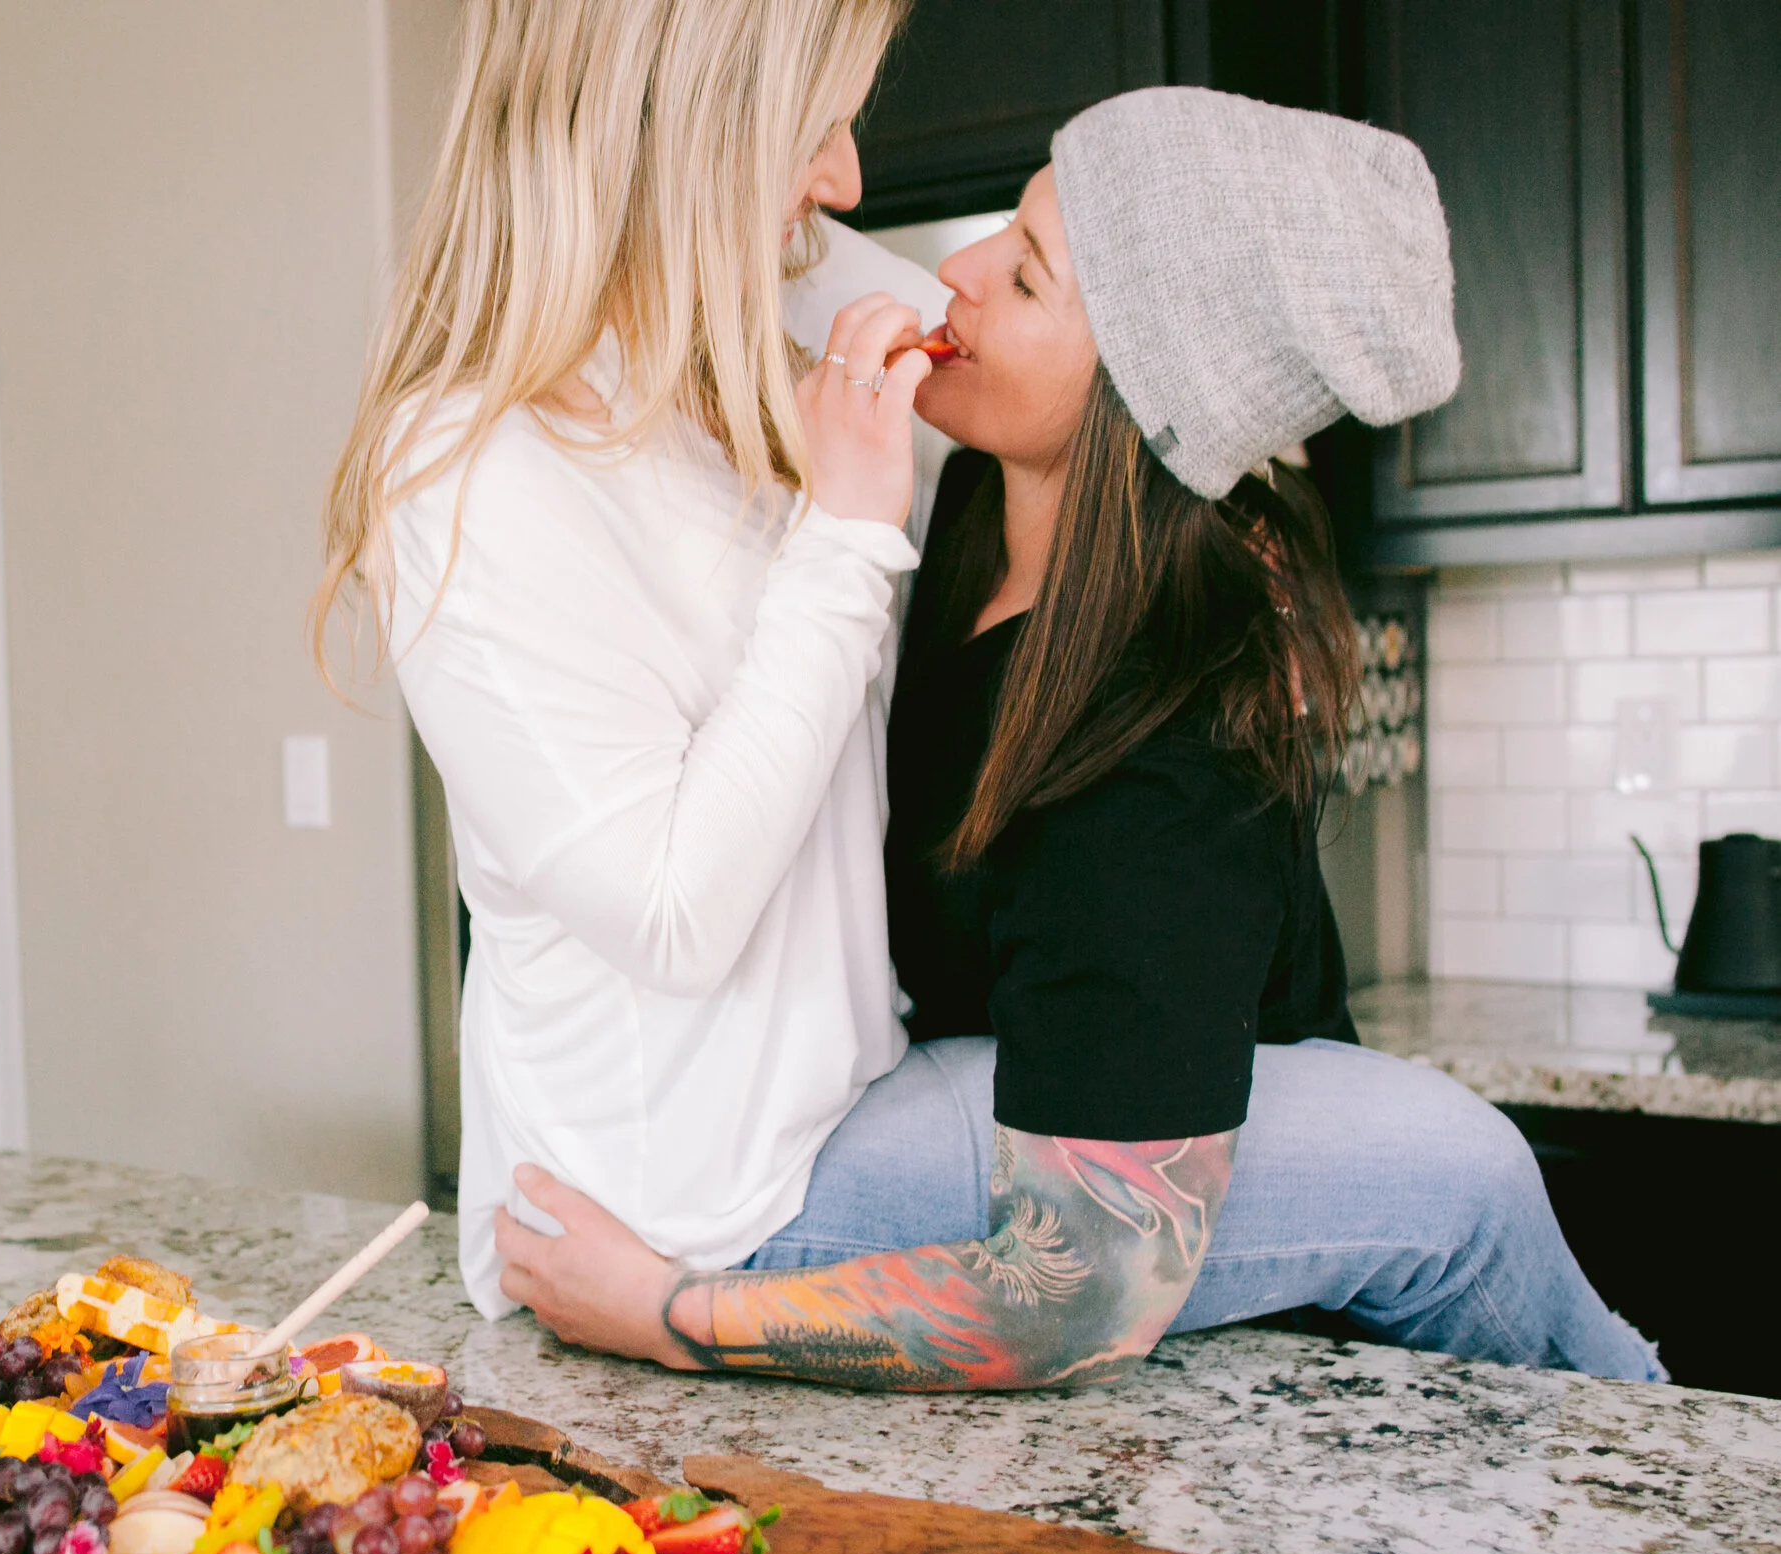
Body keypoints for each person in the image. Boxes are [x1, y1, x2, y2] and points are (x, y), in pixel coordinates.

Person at [492, 87, 1667, 1388]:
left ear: (1133, 411)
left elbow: (1078, 1290)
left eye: (1030, 278)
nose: (958, 272)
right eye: (1009, 225)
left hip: (1235, 1331)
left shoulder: (1157, 765)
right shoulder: (979, 516)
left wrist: (672, 1311)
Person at [317, 0, 941, 1323]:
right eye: (814, 127)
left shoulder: (741, 345)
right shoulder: (470, 471)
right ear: (672, 130)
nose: (847, 180)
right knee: (1450, 1196)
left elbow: (1063, 331)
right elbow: (670, 909)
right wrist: (845, 536)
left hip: (841, 1112)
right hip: (688, 1218)